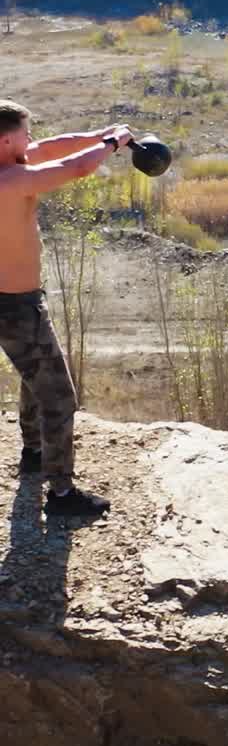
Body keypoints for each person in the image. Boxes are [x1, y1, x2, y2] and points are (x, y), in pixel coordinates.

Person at [0, 99, 132, 519]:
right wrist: (111, 145)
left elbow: (57, 147)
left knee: (32, 374)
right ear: (6, 139)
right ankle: (60, 495)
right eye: (25, 131)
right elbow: (74, 168)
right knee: (58, 397)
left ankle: (34, 452)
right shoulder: (10, 180)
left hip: (14, 302)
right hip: (14, 306)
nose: (32, 138)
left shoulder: (10, 163)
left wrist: (98, 134)